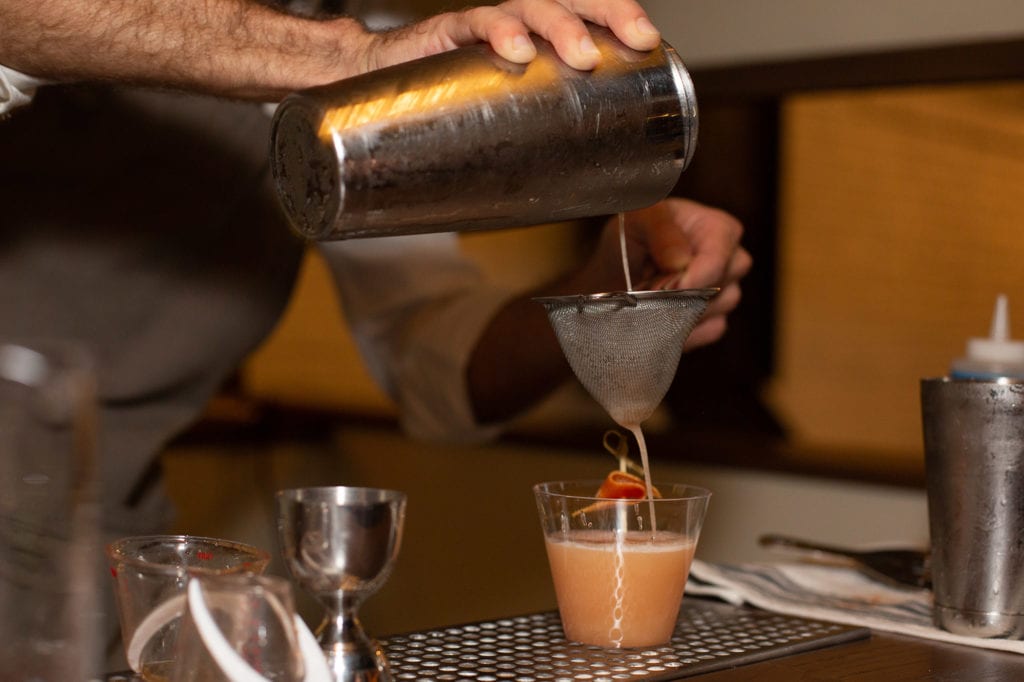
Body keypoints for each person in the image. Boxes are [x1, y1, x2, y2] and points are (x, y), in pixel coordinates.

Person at [0, 0, 749, 666]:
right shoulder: (353, 53)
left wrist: (601, 293)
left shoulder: (377, 44)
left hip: (119, 561)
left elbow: (436, 358)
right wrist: (341, 58)